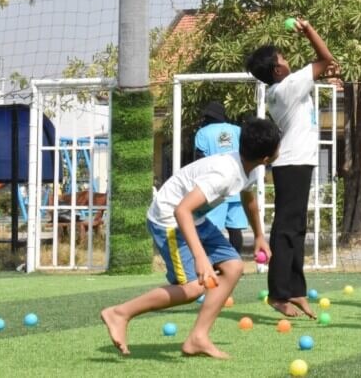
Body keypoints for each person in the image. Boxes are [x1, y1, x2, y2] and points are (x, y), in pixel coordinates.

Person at [100, 118, 279, 359]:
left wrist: (259, 236)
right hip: (170, 219)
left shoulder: (250, 168)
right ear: (267, 158)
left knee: (234, 266)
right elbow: (181, 210)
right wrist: (201, 257)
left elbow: (249, 200)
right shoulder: (224, 174)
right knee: (193, 288)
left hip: (194, 218)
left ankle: (198, 338)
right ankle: (120, 313)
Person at [245, 19, 335, 318]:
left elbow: (322, 68)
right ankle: (277, 294)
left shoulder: (283, 88)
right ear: (277, 70)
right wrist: (310, 30)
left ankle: (295, 290)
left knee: (296, 229)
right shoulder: (289, 86)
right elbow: (326, 59)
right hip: (293, 163)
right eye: (283, 58)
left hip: (297, 162)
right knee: (286, 229)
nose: (287, 60)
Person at [194, 101, 248, 254]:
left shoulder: (203, 133)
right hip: (237, 187)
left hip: (215, 188)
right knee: (235, 229)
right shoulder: (237, 130)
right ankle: (236, 262)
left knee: (211, 229)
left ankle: (213, 263)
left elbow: (200, 159)